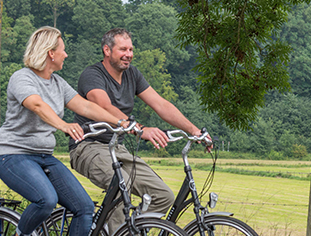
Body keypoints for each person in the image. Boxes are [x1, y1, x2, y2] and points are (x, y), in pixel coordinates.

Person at [0, 26, 134, 236]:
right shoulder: (22, 78)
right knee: (46, 200)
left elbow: (85, 106)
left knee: (84, 208)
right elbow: (37, 105)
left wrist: (120, 122)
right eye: (63, 50)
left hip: (44, 157)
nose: (66, 54)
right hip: (13, 156)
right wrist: (64, 125)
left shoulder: (58, 83)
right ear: (51, 53)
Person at [69, 28, 210, 232]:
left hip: (117, 148)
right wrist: (139, 129)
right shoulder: (92, 74)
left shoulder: (132, 74)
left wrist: (194, 130)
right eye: (123, 49)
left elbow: (161, 105)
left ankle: (122, 228)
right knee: (121, 184)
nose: (129, 54)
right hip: (88, 146)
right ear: (107, 50)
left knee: (163, 195)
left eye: (131, 49)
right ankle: (118, 230)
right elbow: (104, 106)